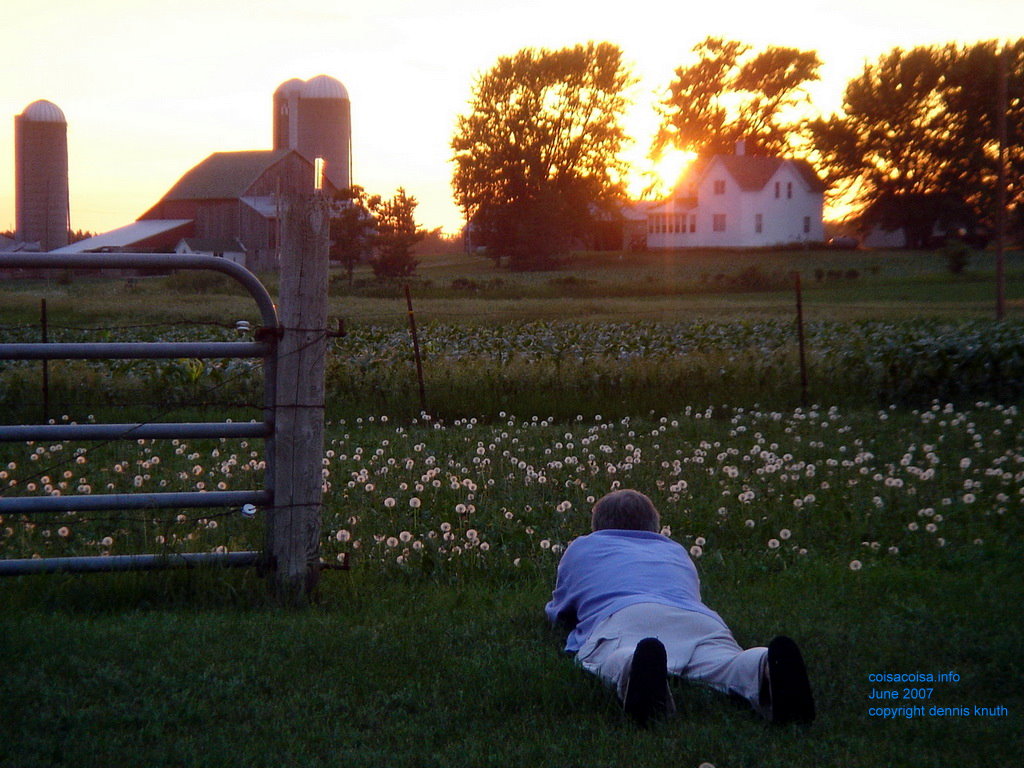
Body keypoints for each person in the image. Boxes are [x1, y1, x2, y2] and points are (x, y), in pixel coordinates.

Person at [545, 489, 815, 726]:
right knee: (725, 662)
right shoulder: (674, 550)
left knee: (614, 654)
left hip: (625, 616)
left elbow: (562, 610)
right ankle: (764, 664)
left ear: (597, 526)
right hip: (697, 619)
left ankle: (633, 665)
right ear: (655, 526)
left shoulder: (583, 547)